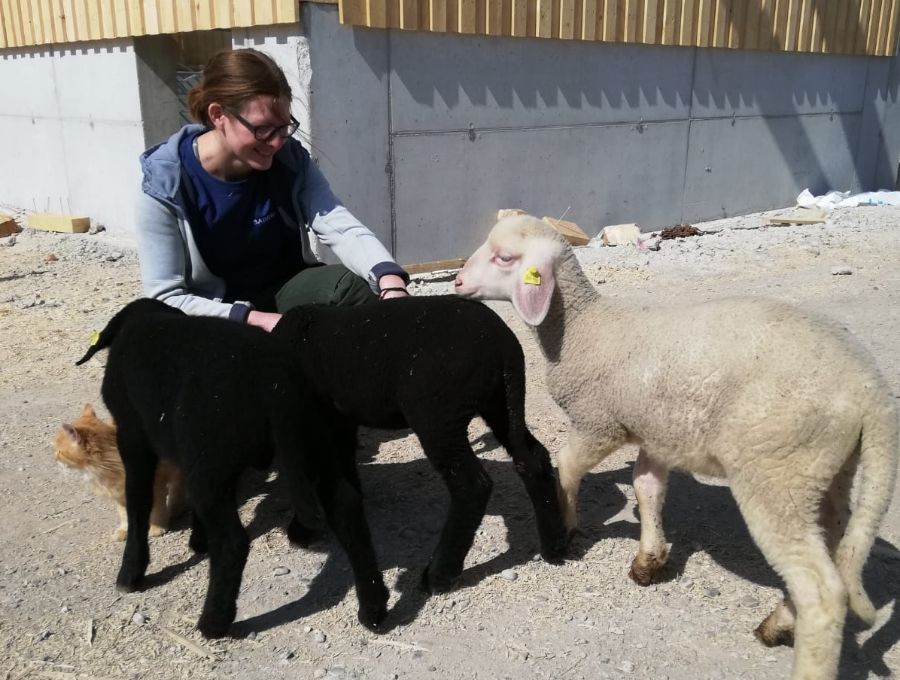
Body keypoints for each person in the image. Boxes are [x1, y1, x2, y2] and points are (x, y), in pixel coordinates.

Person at [135, 48, 409, 332]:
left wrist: (390, 282)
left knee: (352, 286)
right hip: (217, 314)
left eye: (283, 127)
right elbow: (166, 298)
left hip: (283, 289)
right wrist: (261, 321)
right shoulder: (165, 185)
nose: (277, 142)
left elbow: (339, 225)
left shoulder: (289, 160)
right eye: (263, 129)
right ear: (218, 115)